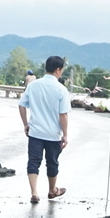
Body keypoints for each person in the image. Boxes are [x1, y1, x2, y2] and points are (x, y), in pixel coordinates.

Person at [19, 55, 71, 203]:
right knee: (52, 162)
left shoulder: (33, 85)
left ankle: (34, 193)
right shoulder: (61, 89)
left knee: (33, 162)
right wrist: (65, 134)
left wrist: (25, 124)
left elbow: (21, 105)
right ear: (57, 70)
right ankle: (52, 190)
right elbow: (63, 115)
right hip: (53, 134)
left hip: (35, 132)